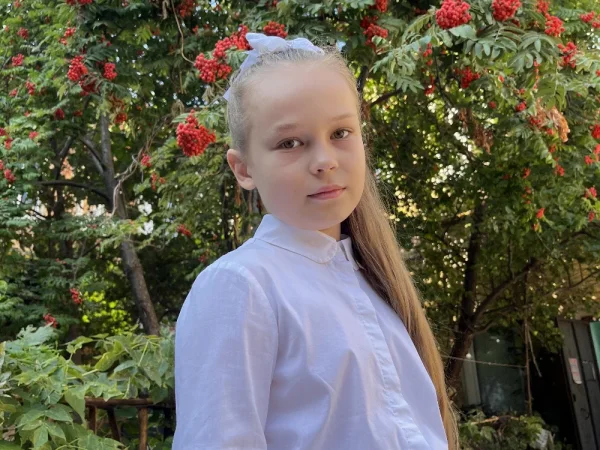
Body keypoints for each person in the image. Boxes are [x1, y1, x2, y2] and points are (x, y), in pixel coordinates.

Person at [173, 32, 458, 450]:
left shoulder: (375, 282)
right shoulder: (241, 286)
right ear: (244, 169)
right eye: (290, 143)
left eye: (340, 133)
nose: (324, 161)